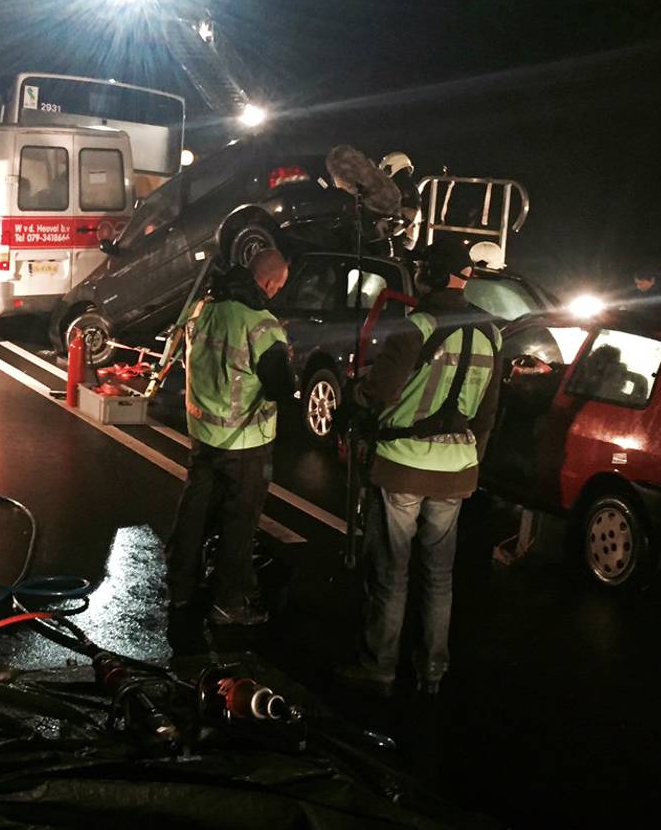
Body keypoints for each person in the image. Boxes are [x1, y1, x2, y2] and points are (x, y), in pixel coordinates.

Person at [337, 237, 503, 696]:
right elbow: (487, 415)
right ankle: (432, 668)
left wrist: (353, 401)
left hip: (402, 465)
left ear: (430, 275)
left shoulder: (416, 327)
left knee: (391, 570)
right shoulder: (492, 333)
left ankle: (379, 666)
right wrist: (471, 460)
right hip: (457, 470)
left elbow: (381, 391)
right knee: (439, 574)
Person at [166, 248, 296, 626]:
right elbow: (280, 388)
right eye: (280, 285)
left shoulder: (206, 308)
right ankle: (231, 601)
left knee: (194, 512)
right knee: (240, 523)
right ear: (270, 282)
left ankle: (180, 588)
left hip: (203, 433)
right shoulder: (262, 325)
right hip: (245, 441)